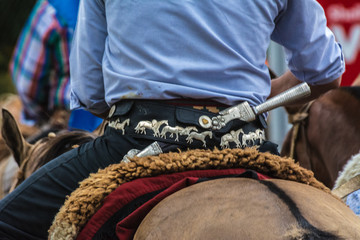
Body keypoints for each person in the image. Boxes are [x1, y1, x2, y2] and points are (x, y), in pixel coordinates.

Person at [0, 0, 344, 239]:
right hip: (247, 145)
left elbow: (91, 94)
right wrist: (261, 96)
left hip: (135, 144)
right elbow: (325, 70)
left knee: (8, 224)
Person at [8, 0, 102, 134]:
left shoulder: (54, 9)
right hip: (122, 121)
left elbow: (27, 84)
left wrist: (40, 117)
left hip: (67, 125)